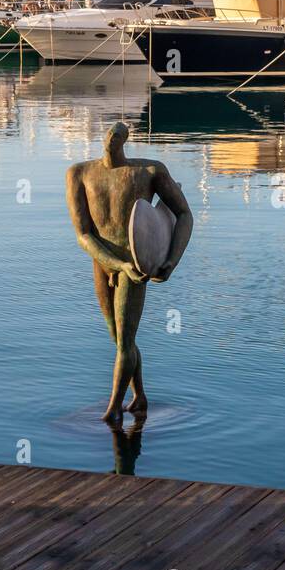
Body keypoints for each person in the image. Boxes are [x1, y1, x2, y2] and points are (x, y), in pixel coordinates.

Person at [65, 122, 193, 425]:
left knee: (124, 342)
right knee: (118, 337)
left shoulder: (148, 172)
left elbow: (184, 214)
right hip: (104, 262)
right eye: (109, 133)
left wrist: (171, 260)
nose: (111, 138)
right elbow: (83, 234)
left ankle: (113, 411)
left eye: (117, 135)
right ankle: (140, 397)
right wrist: (114, 263)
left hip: (135, 265)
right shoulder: (79, 173)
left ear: (125, 140)